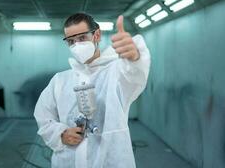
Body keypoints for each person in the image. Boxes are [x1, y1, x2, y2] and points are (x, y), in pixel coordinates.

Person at [34, 13, 151, 168]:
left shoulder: (116, 72)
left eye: (82, 38)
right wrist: (61, 134)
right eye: (71, 41)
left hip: (110, 161)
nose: (76, 46)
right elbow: (43, 117)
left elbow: (134, 76)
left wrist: (134, 57)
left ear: (96, 35)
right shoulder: (59, 80)